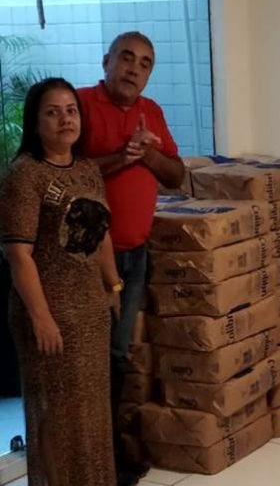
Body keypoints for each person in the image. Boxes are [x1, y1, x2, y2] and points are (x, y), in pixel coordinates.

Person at [0, 77, 122, 486]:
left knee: (91, 414)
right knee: (56, 414)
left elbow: (101, 232)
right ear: (36, 124)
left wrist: (113, 284)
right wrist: (41, 317)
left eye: (71, 110)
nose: (65, 119)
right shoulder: (25, 176)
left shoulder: (87, 169)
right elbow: (18, 254)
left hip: (89, 312)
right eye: (52, 112)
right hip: (50, 314)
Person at [77, 31, 184, 486]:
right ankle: (89, 453)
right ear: (106, 61)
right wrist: (124, 155)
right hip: (86, 261)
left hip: (133, 258)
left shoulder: (151, 111)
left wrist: (149, 153)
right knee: (88, 357)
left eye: (145, 63)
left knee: (116, 356)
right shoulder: (80, 105)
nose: (134, 69)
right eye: (126, 58)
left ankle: (112, 450)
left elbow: (176, 175)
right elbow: (65, 173)